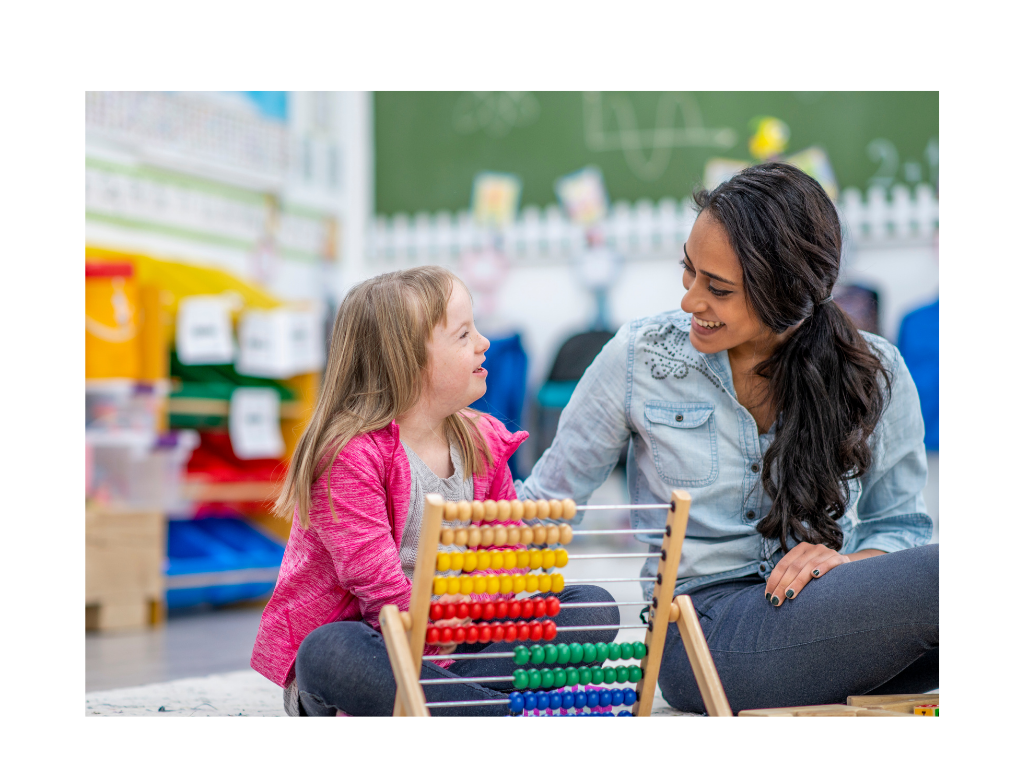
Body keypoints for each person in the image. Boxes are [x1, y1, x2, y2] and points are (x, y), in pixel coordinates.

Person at [518, 163, 938, 713]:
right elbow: (546, 505)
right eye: (688, 272)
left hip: (828, 626)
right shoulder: (640, 358)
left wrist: (847, 566)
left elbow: (897, 526)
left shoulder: (875, 369)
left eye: (717, 288)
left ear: (787, 294)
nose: (692, 300)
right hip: (701, 636)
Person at [251, 266, 616, 716]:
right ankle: (485, 708)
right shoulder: (348, 456)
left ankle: (450, 704)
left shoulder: (485, 441)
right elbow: (381, 593)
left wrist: (466, 612)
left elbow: (502, 560)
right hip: (377, 644)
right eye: (463, 335)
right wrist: (450, 623)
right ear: (406, 360)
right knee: (327, 650)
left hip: (462, 645)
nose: (483, 343)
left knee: (595, 608)